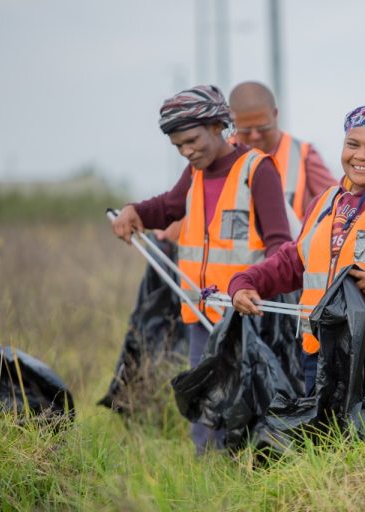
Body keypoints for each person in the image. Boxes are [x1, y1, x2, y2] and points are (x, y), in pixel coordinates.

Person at [229, 104, 365, 431]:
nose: (361, 156)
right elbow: (294, 260)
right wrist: (247, 281)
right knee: (327, 458)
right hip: (321, 359)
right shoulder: (325, 201)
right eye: (353, 144)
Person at [111, 85, 292, 453]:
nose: (187, 151)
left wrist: (260, 286)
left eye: (192, 141)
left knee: (249, 405)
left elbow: (279, 243)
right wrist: (135, 212)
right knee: (206, 406)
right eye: (179, 146)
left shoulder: (257, 170)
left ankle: (254, 481)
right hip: (199, 316)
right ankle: (211, 481)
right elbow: (167, 207)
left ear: (218, 126)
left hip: (247, 319)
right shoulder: (194, 173)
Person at [229, 81, 337, 221]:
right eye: (246, 130)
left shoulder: (302, 154)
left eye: (263, 127)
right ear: (232, 120)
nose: (255, 135)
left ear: (275, 114)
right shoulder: (221, 157)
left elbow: (339, 204)